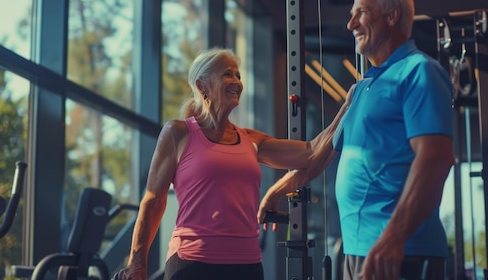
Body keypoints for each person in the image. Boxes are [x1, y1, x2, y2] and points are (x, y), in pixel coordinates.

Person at [258, 0, 456, 280]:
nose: (350, 24)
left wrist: (393, 239)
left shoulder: (419, 71)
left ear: (392, 16)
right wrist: (278, 188)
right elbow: (321, 156)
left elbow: (436, 159)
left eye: (361, 12)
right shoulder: (362, 88)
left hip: (401, 252)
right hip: (359, 250)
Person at [112, 47, 352, 280]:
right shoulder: (178, 133)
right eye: (228, 74)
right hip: (193, 263)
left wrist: (348, 106)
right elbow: (153, 201)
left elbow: (311, 153)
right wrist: (137, 265)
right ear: (201, 85)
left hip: (246, 264)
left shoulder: (250, 139)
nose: (237, 81)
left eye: (238, 75)